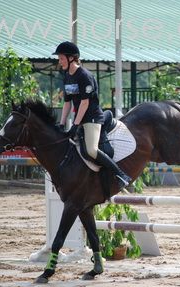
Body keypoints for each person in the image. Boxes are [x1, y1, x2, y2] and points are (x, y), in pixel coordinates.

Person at [53, 41, 131, 189]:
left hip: (92, 118)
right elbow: (67, 103)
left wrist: (75, 125)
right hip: (81, 118)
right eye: (59, 58)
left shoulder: (84, 75)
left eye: (61, 58)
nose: (59, 61)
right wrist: (62, 123)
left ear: (71, 58)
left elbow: (84, 103)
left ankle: (121, 174)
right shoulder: (66, 76)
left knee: (91, 150)